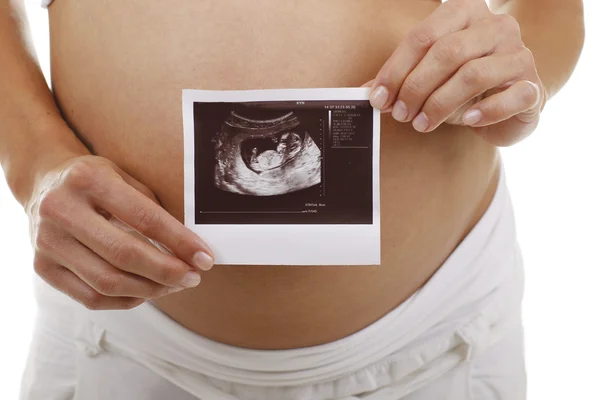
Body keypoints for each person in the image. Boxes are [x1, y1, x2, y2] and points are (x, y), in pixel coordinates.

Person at [0, 0, 585, 399]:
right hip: (124, 333)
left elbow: (550, 9)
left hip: (433, 342)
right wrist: (36, 161)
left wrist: (512, 72)